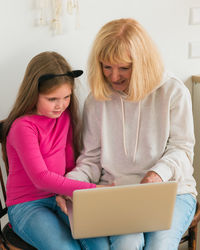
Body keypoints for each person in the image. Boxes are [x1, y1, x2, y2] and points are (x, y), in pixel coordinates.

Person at [57, 18, 197, 250]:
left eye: (124, 67)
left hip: (171, 191)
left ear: (142, 63)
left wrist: (156, 175)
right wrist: (69, 186)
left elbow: (182, 150)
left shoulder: (173, 91)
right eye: (106, 66)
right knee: (126, 245)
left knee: (158, 246)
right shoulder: (96, 100)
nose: (114, 77)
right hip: (117, 195)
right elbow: (90, 160)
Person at [0, 51, 111, 250]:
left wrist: (71, 196)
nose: (61, 105)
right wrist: (94, 191)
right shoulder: (23, 127)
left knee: (101, 244)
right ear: (34, 94)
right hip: (28, 204)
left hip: (61, 196)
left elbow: (69, 164)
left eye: (66, 97)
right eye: (52, 99)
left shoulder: (64, 118)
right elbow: (41, 178)